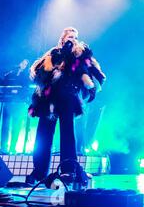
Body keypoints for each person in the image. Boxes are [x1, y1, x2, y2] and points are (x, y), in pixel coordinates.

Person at [26, 27, 106, 185]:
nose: (73, 39)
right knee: (43, 135)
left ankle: (69, 170)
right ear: (62, 38)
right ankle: (39, 171)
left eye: (75, 37)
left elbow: (87, 71)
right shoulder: (52, 54)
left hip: (68, 97)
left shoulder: (79, 54)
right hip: (50, 99)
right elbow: (42, 74)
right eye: (70, 36)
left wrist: (90, 86)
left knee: (68, 134)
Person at [0, 59, 30, 154]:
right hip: (8, 102)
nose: (23, 64)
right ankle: (3, 148)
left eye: (25, 64)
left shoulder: (27, 75)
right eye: (22, 62)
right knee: (5, 125)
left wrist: (17, 92)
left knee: (16, 126)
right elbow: (4, 84)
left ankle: (13, 148)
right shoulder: (11, 72)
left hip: (19, 104)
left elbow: (26, 88)